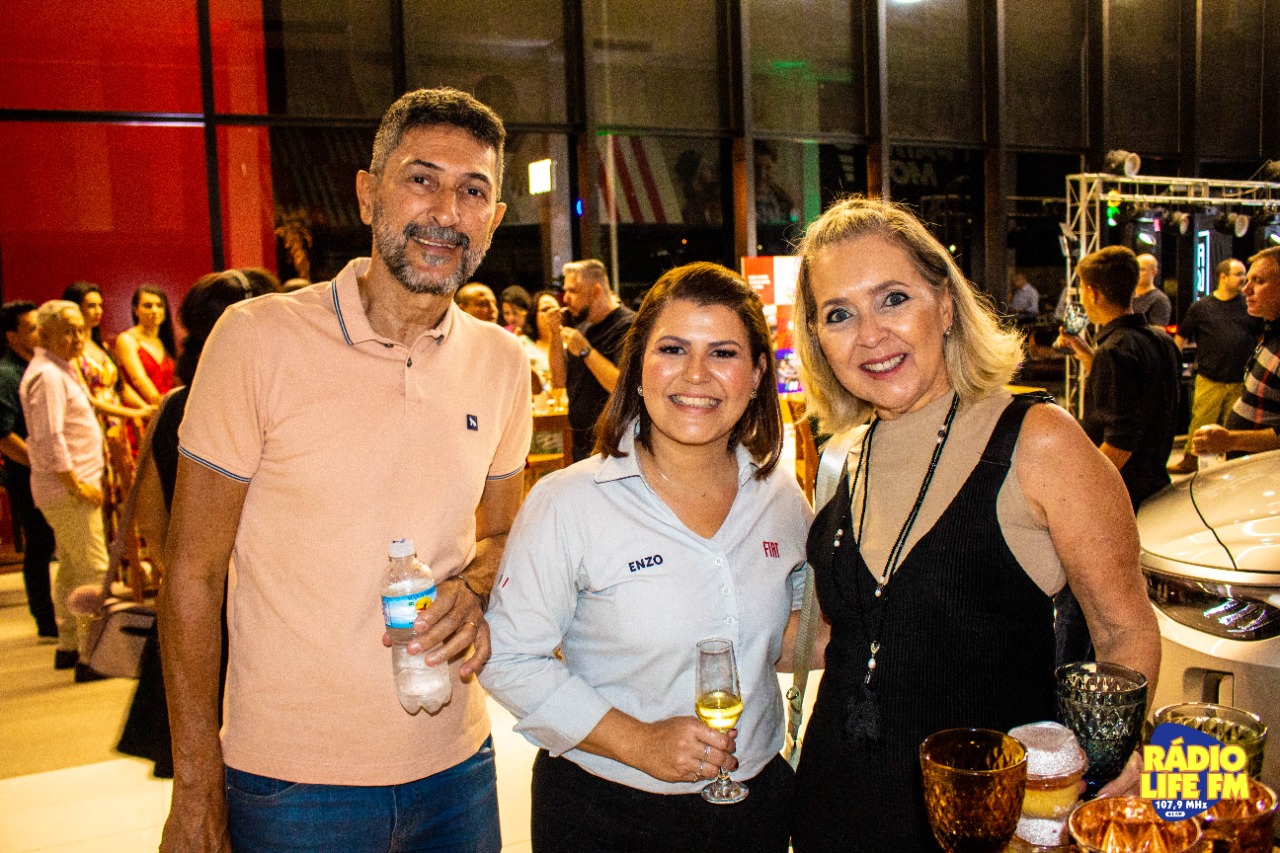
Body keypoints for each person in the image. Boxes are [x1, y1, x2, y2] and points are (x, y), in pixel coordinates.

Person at [157, 87, 529, 853]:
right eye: (421, 179)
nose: (446, 212)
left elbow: (501, 534)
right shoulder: (256, 339)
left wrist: (474, 587)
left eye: (473, 191)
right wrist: (195, 786)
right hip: (291, 782)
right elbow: (191, 572)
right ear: (367, 194)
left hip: (456, 764)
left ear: (493, 219)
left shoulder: (502, 361)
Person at [788, 197, 1160, 852]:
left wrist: (1111, 759)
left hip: (981, 825)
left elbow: (1123, 627)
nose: (869, 334)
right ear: (818, 337)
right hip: (832, 809)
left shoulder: (1038, 441)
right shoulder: (847, 454)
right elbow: (833, 638)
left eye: (893, 299)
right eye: (838, 313)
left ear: (945, 305)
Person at [482, 262, 812, 853]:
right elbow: (508, 657)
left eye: (724, 353)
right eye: (672, 349)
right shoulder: (569, 502)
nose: (696, 374)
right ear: (637, 367)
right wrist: (637, 741)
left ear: (758, 374)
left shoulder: (781, 498)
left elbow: (785, 639)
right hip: (607, 813)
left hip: (755, 803)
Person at [118, 269, 279, 782]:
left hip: (197, 616)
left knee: (203, 771)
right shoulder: (275, 407)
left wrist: (190, 577)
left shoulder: (174, 406)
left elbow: (151, 518)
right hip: (268, 618)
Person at [19, 301, 109, 682]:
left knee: (72, 566)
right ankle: (92, 655)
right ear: (45, 334)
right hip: (70, 490)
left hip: (69, 487)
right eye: (67, 331)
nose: (77, 338)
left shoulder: (58, 369)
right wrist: (76, 485)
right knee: (93, 568)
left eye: (80, 330)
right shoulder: (48, 376)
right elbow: (49, 437)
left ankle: (70, 645)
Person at [1058, 246, 1181, 510]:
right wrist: (1086, 353)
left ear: (1093, 293)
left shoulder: (1115, 350)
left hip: (1123, 491)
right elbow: (1133, 391)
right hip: (1154, 479)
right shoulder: (1161, 341)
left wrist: (1081, 489)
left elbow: (1120, 441)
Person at [1167, 258, 1258, 473]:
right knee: (1201, 420)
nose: (1243, 279)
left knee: (1234, 425)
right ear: (1223, 277)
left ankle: (1231, 464)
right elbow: (1181, 337)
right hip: (1210, 377)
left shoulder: (1248, 305)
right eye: (1239, 274)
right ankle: (1191, 459)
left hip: (1239, 379)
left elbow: (1260, 336)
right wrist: (1171, 365)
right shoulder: (1201, 307)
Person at [0, 301, 57, 638]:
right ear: (13, 337)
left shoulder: (41, 365)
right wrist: (42, 465)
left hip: (48, 471)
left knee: (51, 543)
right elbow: (4, 437)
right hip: (27, 473)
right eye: (33, 328)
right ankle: (46, 620)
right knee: (39, 543)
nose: (41, 332)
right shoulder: (7, 374)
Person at [1193, 246, 1280, 458]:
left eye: (1259, 281)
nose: (1246, 289)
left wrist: (1231, 440)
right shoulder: (1272, 332)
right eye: (1247, 279)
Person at [561, 259, 635, 461]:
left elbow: (622, 386)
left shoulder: (628, 326)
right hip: (581, 447)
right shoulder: (584, 326)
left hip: (614, 449)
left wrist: (586, 351)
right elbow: (559, 381)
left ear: (595, 291)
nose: (565, 298)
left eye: (573, 291)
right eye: (565, 290)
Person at [116, 285, 177, 405]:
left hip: (166, 407)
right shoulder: (127, 339)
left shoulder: (164, 341)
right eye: (148, 306)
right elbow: (138, 379)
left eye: (159, 305)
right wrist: (161, 406)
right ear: (135, 310)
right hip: (141, 409)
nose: (154, 310)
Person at [1132, 252, 1172, 327]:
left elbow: (1158, 331)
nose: (1137, 273)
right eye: (1135, 269)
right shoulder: (1126, 295)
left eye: (1142, 269)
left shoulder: (1160, 299)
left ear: (1154, 272)